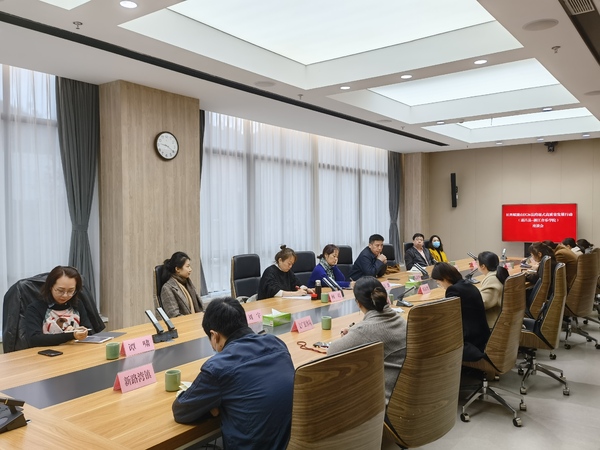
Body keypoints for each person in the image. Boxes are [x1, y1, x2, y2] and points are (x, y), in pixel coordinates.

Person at [172, 297, 294, 450]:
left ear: (214, 335)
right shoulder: (277, 344)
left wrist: (213, 408)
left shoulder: (218, 367)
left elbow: (181, 411)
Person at [327, 277, 406, 404]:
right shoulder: (400, 320)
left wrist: (354, 333)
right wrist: (355, 331)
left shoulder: (364, 331)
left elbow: (332, 352)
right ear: (385, 297)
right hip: (406, 396)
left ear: (358, 303)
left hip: (385, 403)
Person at [431, 263, 490, 361]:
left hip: (470, 341)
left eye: (439, 282)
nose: (440, 285)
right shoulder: (468, 285)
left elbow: (448, 316)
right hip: (482, 336)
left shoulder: (453, 290)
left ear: (445, 278)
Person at [24, 266, 92, 347]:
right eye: (60, 290)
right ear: (50, 286)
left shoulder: (77, 304)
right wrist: (71, 335)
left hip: (75, 350)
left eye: (71, 291)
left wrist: (83, 331)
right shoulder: (35, 308)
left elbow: (89, 331)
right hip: (47, 352)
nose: (65, 295)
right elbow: (34, 339)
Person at [161, 251, 203, 318]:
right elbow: (174, 316)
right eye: (187, 266)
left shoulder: (188, 283)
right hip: (185, 323)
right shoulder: (167, 288)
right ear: (177, 269)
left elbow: (200, 308)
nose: (190, 269)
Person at [477, 251, 509, 329]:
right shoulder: (498, 274)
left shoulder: (492, 279)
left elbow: (483, 303)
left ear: (483, 266)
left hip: (495, 324)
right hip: (503, 319)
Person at [525, 242, 558, 308]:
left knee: (521, 292)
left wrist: (525, 276)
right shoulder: (550, 260)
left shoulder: (546, 264)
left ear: (539, 254)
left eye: (532, 255)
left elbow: (537, 278)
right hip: (550, 292)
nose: (532, 257)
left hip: (545, 295)